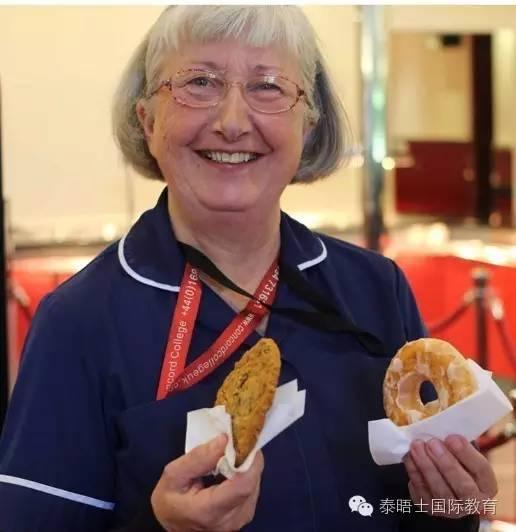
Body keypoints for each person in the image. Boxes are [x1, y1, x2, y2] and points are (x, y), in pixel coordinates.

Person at [0, 6, 496, 531]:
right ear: (147, 120)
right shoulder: (79, 321)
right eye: (199, 82)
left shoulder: (374, 288)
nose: (233, 122)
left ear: (308, 125)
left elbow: (400, 513)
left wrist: (453, 513)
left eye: (268, 86)